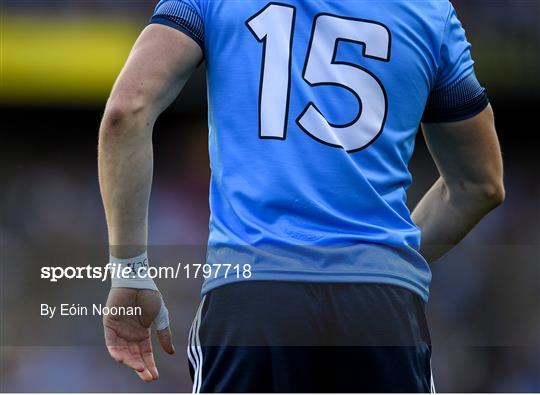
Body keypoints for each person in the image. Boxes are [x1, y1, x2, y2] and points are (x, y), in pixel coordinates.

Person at [98, 0, 505, 392]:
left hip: (253, 297)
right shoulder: (430, 12)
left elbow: (126, 111)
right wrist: (377, 261)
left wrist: (128, 268)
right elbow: (479, 186)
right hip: (382, 312)